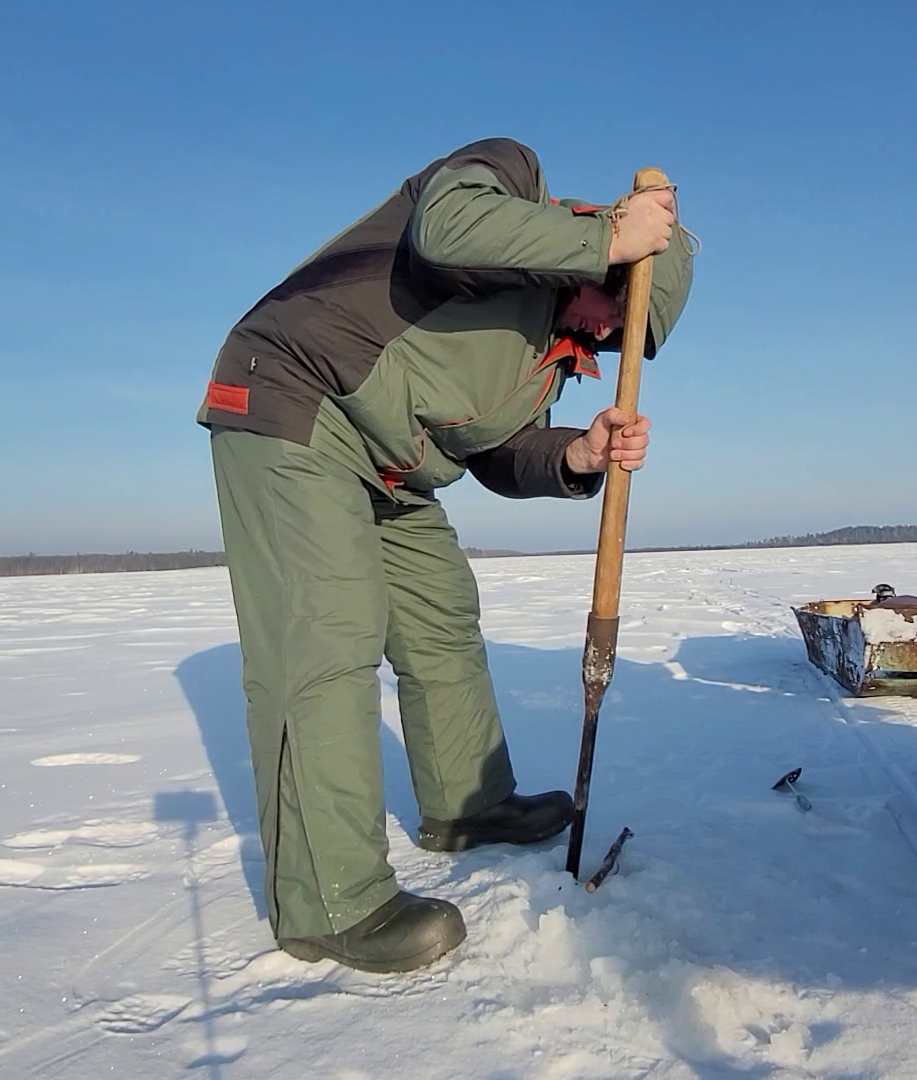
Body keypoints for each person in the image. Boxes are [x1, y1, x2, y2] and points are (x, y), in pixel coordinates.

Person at [195, 137, 694, 974]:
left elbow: (497, 456)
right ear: (606, 255)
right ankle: (328, 903)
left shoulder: (551, 359)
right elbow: (445, 225)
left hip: (393, 466)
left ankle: (468, 806)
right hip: (296, 397)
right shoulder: (510, 181)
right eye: (620, 308)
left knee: (442, 620)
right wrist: (612, 240)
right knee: (326, 635)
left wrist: (576, 454)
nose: (609, 338)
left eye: (625, 342)